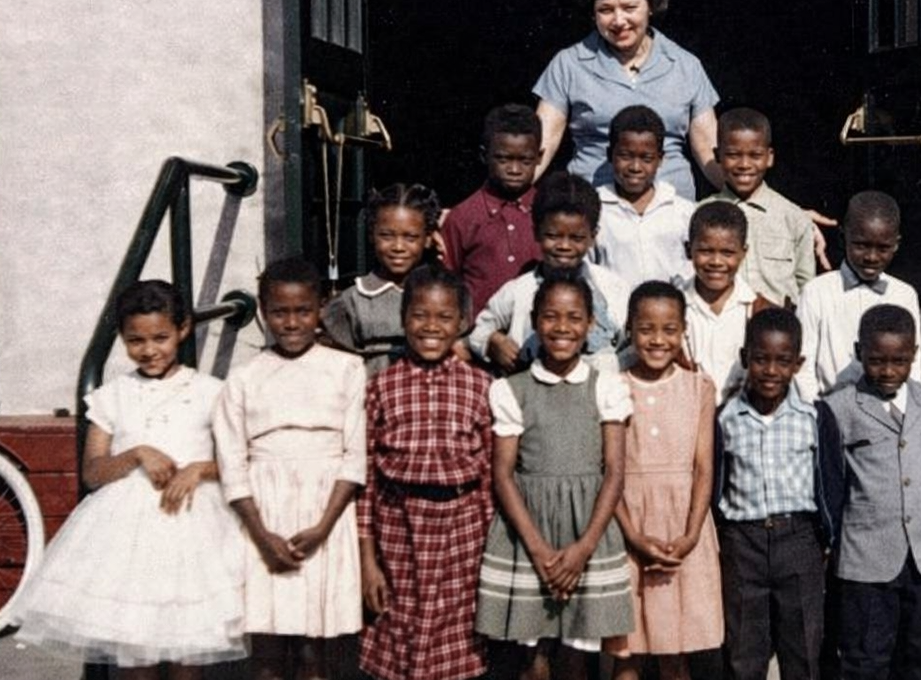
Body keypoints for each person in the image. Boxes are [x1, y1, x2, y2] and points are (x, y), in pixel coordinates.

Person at [13, 280, 246, 676]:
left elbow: (239, 461)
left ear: (183, 329)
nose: (149, 350)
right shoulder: (113, 395)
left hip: (195, 534)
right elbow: (93, 472)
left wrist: (197, 469)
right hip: (129, 542)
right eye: (136, 340)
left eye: (160, 337)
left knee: (187, 654)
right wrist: (137, 453)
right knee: (137, 656)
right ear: (122, 338)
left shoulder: (212, 392)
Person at [476, 272, 635, 680]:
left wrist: (583, 547)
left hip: (589, 529)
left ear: (590, 325)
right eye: (550, 316)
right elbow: (504, 475)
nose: (562, 327)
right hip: (529, 531)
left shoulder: (607, 387)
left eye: (574, 317)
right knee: (532, 657)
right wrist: (539, 550)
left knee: (577, 653)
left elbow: (614, 472)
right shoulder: (512, 390)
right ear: (534, 320)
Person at [213, 257, 366, 680]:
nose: (292, 322)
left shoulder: (347, 369)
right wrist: (261, 536)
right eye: (280, 312)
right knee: (267, 648)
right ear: (263, 311)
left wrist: (323, 526)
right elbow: (231, 464)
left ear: (321, 308)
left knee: (316, 650)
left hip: (326, 514)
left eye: (303, 311)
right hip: (264, 515)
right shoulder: (244, 379)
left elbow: (354, 457)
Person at [357, 265, 493, 680]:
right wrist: (368, 559)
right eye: (419, 316)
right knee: (400, 638)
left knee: (458, 646)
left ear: (462, 323)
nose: (430, 327)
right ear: (403, 319)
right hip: (398, 530)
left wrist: (491, 549)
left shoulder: (481, 386)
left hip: (463, 533)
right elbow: (365, 479)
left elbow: (490, 477)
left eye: (444, 317)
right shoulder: (381, 386)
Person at [818, 305, 921, 680]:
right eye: (877, 360)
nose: (889, 371)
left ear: (914, 354)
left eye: (900, 361)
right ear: (859, 350)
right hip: (867, 559)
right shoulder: (838, 408)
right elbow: (833, 485)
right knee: (866, 658)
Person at [533, 0, 722, 201]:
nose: (618, 20)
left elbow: (712, 155)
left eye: (629, 7)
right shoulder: (568, 64)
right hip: (590, 214)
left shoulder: (685, 65)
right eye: (606, 9)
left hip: (673, 216)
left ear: (651, 6)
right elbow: (536, 152)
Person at [606, 282, 723, 679]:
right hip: (628, 527)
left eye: (669, 329)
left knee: (676, 651)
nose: (658, 340)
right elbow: (610, 471)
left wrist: (690, 535)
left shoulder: (699, 387)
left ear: (684, 330)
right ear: (629, 329)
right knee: (628, 652)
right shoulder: (614, 387)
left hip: (682, 527)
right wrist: (634, 537)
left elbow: (704, 467)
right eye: (646, 329)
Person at [713, 308, 831, 680]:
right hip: (742, 543)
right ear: (745, 358)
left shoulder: (814, 417)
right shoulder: (725, 418)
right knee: (744, 651)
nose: (770, 370)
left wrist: (825, 537)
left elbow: (831, 481)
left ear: (798, 363)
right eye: (761, 359)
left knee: (804, 651)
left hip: (797, 540)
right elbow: (718, 478)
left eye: (782, 361)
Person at [470, 170, 631, 372]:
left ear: (593, 236)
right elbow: (478, 331)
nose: (564, 246)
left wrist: (611, 367)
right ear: (536, 232)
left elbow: (630, 341)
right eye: (553, 235)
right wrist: (492, 342)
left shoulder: (613, 288)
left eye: (576, 238)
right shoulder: (517, 290)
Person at [797, 191, 921, 402]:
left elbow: (913, 364)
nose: (871, 257)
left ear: (896, 244)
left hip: (887, 413)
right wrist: (818, 414)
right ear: (843, 236)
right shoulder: (817, 292)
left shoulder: (904, 294)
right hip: (829, 410)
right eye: (861, 245)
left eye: (883, 248)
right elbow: (803, 365)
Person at [323, 182, 444, 375]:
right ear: (371, 234)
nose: (398, 246)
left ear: (428, 238)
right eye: (387, 236)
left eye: (410, 237)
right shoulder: (354, 301)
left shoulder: (441, 295)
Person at [702, 107, 815, 308]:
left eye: (755, 155)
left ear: (770, 157)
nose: (744, 164)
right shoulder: (700, 214)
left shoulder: (794, 218)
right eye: (733, 154)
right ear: (717, 155)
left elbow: (806, 289)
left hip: (777, 331)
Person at [441, 104, 542, 313]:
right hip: (475, 339)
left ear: (539, 157)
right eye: (503, 159)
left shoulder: (549, 213)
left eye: (525, 160)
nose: (514, 169)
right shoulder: (463, 217)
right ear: (484, 155)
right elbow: (447, 285)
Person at [593, 104, 695, 289]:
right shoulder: (596, 210)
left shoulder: (682, 211)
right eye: (625, 156)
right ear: (610, 154)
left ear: (660, 158)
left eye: (646, 158)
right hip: (615, 314)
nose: (635, 167)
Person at [679, 201, 772, 401]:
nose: (716, 262)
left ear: (743, 253)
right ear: (689, 249)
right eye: (705, 251)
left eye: (727, 253)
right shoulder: (674, 309)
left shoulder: (759, 311)